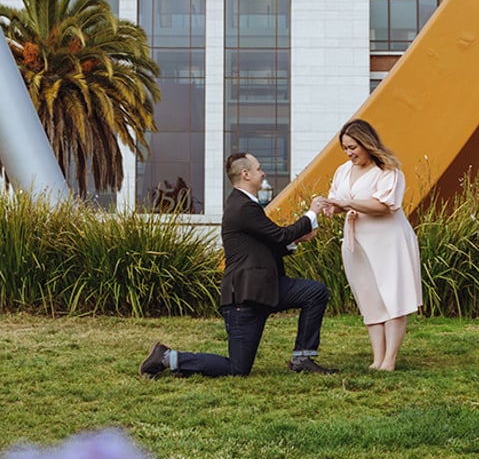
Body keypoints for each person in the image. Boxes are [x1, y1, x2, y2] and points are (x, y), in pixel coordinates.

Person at [139, 152, 338, 378]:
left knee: (314, 292)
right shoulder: (243, 207)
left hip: (264, 289)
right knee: (237, 368)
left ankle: (302, 358)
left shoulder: (245, 205)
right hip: (245, 297)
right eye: (258, 168)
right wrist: (312, 213)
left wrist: (298, 239)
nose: (263, 173)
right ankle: (166, 357)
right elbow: (280, 236)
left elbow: (266, 245)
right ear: (246, 174)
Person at [325, 119, 422, 371]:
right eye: (345, 148)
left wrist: (347, 203)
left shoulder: (388, 171)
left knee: (394, 297)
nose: (349, 153)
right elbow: (339, 200)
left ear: (367, 144)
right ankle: (377, 358)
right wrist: (332, 207)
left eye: (353, 147)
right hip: (357, 242)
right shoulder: (343, 171)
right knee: (370, 299)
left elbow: (384, 206)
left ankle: (390, 359)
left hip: (389, 242)